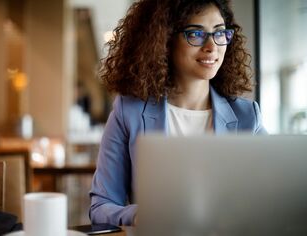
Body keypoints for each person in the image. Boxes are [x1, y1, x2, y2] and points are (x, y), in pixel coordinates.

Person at [89, 0, 267, 226]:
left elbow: (271, 198)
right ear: (165, 39)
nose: (212, 46)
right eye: (196, 34)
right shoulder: (129, 112)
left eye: (220, 33)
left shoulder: (247, 116)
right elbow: (101, 205)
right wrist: (139, 215)